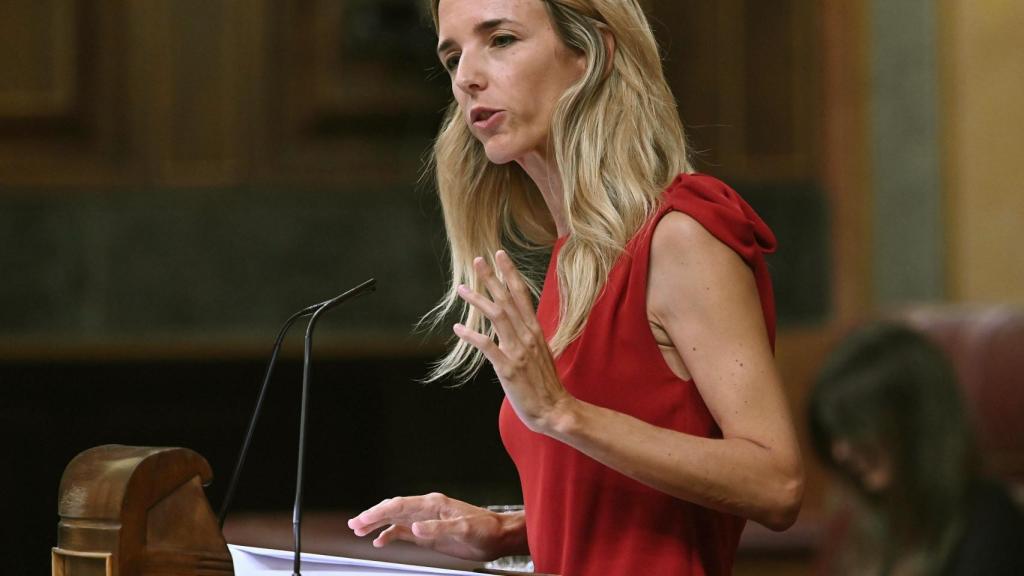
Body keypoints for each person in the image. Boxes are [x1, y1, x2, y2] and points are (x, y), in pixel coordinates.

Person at [348, 1, 804, 574]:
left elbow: (777, 483)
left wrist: (563, 413)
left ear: (593, 54)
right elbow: (627, 509)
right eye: (452, 56)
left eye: (502, 40)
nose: (466, 76)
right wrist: (508, 530)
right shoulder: (574, 261)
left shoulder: (680, 237)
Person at [808, 322, 1024, 575]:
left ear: (915, 421)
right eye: (835, 433)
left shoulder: (989, 521)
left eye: (857, 425)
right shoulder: (857, 526)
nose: (840, 450)